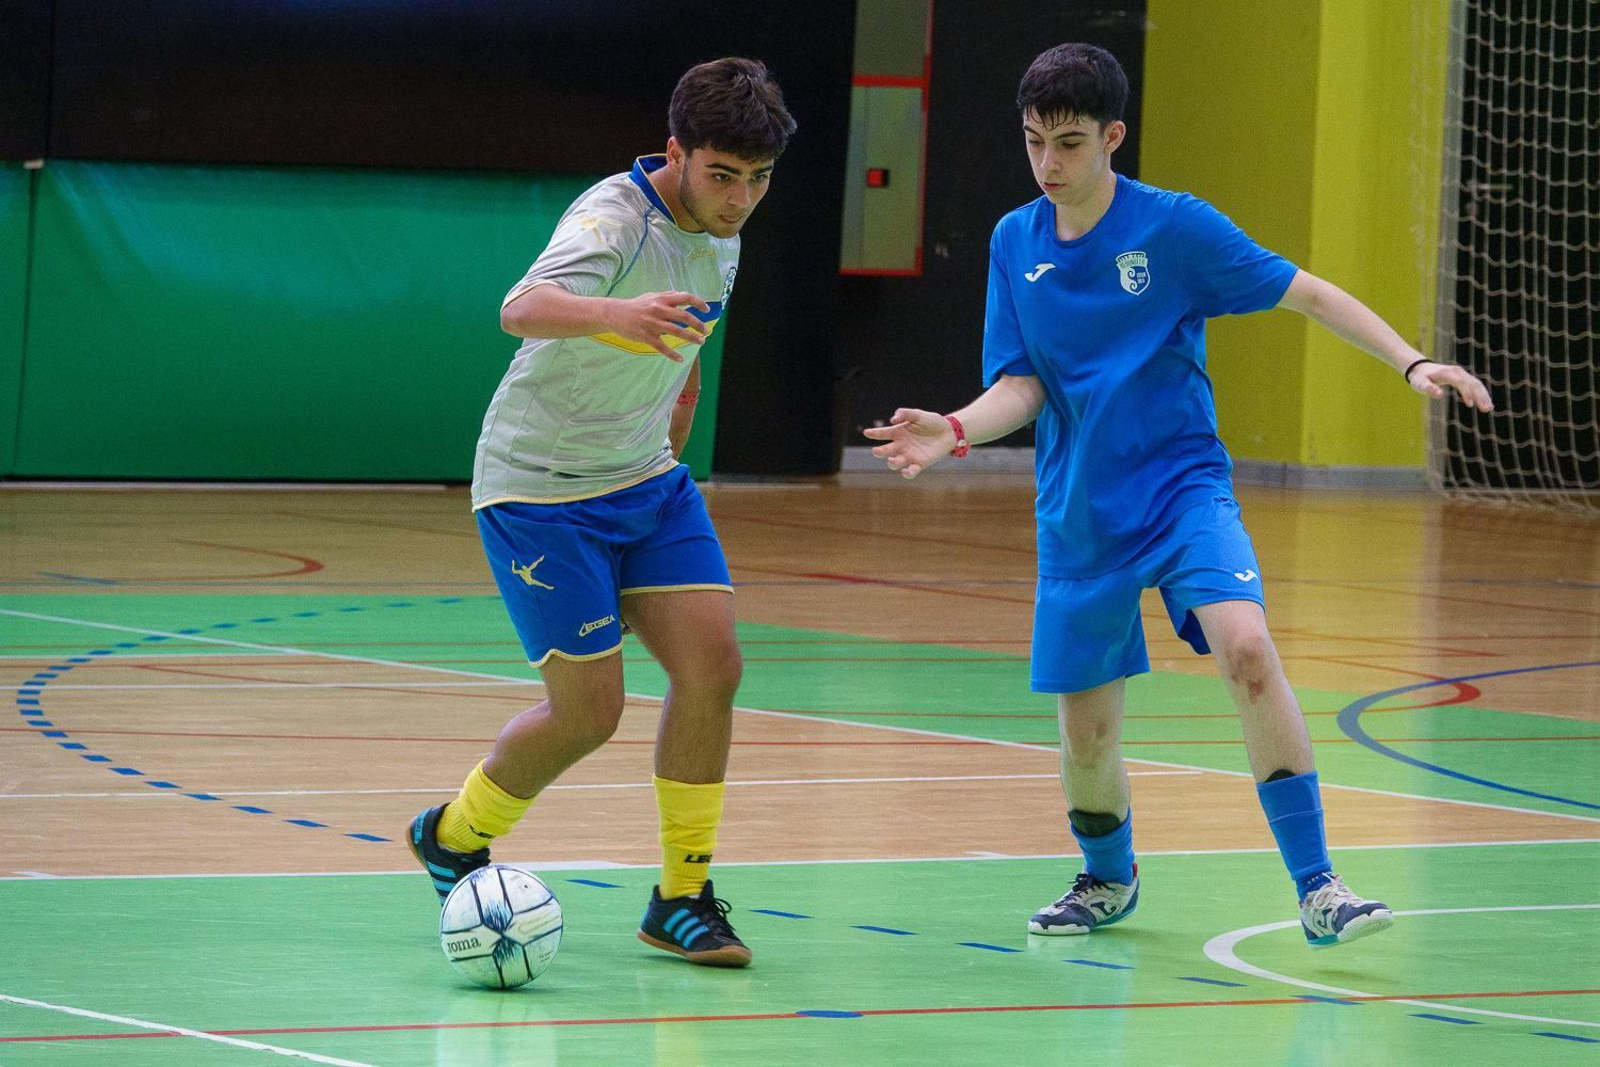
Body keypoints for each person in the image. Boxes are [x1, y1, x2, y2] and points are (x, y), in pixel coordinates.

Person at [864, 43, 1494, 947]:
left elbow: (1306, 294)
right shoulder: (1014, 242)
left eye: (1071, 143)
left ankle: (1321, 886)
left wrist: (1412, 360)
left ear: (1113, 137)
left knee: (1246, 647)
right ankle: (1107, 880)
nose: (1049, 164)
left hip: (1182, 487)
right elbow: (1026, 385)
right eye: (1036, 140)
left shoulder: (1176, 230)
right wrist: (956, 428)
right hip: (1082, 510)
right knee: (1086, 735)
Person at [407, 57, 796, 969]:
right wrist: (614, 312)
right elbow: (521, 307)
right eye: (723, 176)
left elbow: (689, 332)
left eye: (759, 180)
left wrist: (682, 387)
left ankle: (682, 895)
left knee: (714, 666)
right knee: (590, 714)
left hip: (647, 481)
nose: (740, 199)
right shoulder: (612, 216)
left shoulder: (725, 232)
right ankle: (453, 834)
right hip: (540, 490)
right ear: (675, 153)